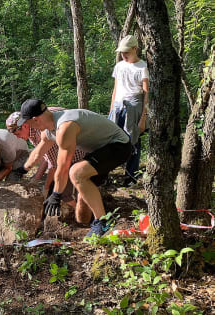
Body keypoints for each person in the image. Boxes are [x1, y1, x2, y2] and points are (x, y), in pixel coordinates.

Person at [17, 99, 131, 237]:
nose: (29, 127)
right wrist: (23, 169)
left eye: (27, 123)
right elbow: (37, 153)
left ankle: (102, 222)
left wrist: (56, 194)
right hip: (99, 151)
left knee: (76, 172)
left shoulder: (65, 127)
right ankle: (88, 226)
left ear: (35, 120)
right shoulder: (49, 130)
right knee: (82, 200)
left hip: (119, 146)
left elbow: (63, 167)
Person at [6, 111, 91, 224]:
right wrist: (36, 177)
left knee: (65, 193)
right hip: (71, 154)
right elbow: (45, 157)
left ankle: (86, 220)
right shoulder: (32, 131)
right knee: (62, 191)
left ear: (24, 126)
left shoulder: (40, 132)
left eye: (16, 133)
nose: (17, 137)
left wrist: (45, 188)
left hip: (78, 155)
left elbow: (54, 165)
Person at [109, 35, 149, 186]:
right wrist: (111, 109)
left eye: (127, 51)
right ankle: (107, 172)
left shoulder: (142, 67)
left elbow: (146, 93)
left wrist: (143, 118)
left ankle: (130, 177)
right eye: (121, 52)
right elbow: (115, 88)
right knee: (112, 139)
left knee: (132, 141)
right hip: (118, 104)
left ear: (134, 49)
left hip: (134, 104)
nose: (123, 55)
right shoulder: (119, 66)